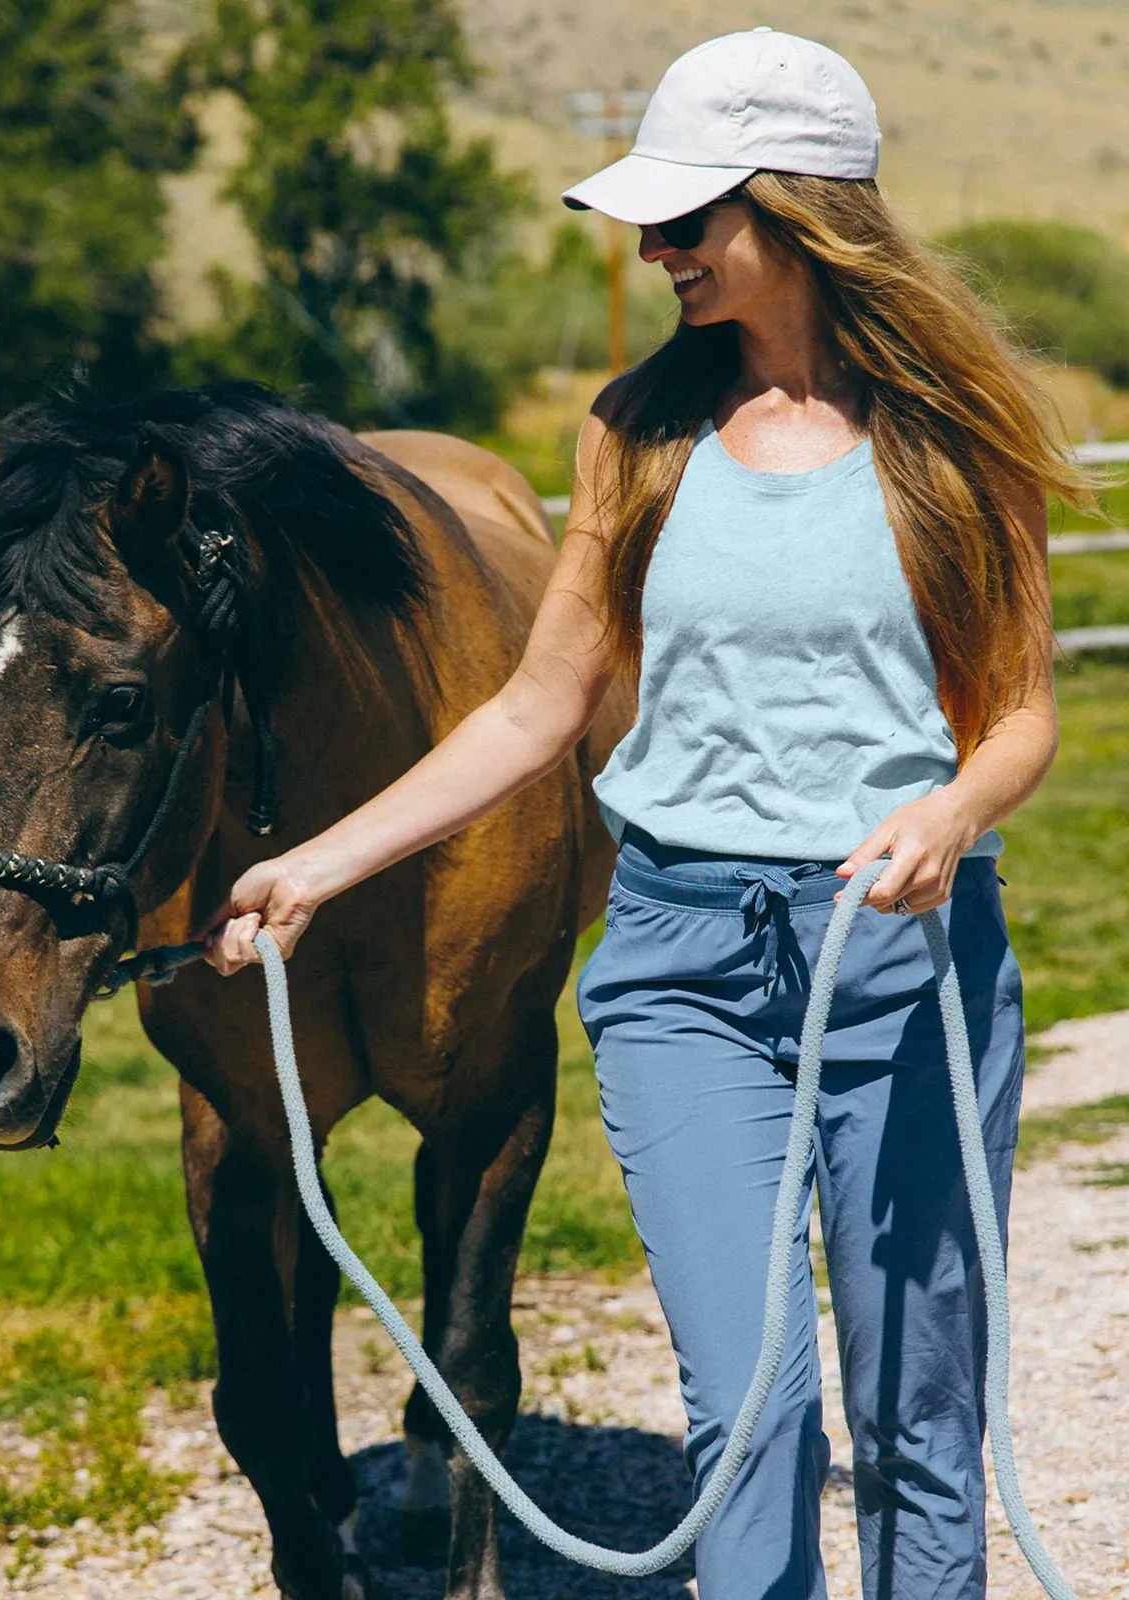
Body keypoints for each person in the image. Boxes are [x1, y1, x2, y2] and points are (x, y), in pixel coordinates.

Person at [204, 28, 1093, 1599]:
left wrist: (952, 812)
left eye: (690, 218)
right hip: (683, 958)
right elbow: (539, 708)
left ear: (804, 208)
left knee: (916, 1415)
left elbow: (1020, 716)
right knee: (749, 1414)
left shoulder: (957, 442)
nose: (655, 248)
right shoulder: (636, 432)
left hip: (899, 959)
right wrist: (320, 865)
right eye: (650, 220)